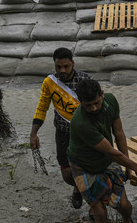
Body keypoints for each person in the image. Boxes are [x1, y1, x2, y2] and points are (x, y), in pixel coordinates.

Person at [67, 79, 137, 223]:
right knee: (100, 213)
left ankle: (127, 222)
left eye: (97, 102)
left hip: (106, 162)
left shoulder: (111, 101)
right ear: (80, 102)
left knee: (124, 206)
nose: (94, 108)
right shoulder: (80, 122)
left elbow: (119, 134)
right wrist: (136, 166)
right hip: (83, 166)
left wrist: (128, 167)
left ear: (102, 94)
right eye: (88, 106)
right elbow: (111, 151)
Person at [30, 47, 92, 209]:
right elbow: (42, 107)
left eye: (66, 66)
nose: (62, 70)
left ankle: (94, 203)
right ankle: (79, 188)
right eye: (58, 67)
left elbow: (97, 108)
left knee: (89, 170)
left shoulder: (86, 80)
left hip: (85, 134)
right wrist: (34, 133)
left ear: (73, 64)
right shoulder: (50, 82)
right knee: (66, 174)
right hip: (63, 133)